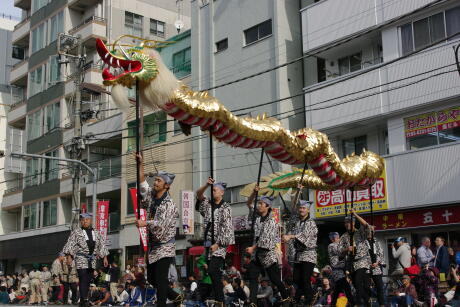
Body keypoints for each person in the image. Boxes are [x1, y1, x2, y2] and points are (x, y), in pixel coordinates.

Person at [134, 153, 182, 307]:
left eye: (159, 180)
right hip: (154, 247)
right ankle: (176, 296)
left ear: (167, 185)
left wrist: (144, 223)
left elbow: (160, 225)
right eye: (155, 179)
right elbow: (142, 183)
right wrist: (140, 163)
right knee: (153, 279)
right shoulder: (152, 197)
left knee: (161, 280)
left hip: (166, 246)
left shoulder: (169, 204)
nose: (155, 182)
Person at [245, 187, 290, 305]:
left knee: (275, 280)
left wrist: (252, 248)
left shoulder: (271, 221)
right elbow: (249, 203)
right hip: (257, 256)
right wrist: (254, 193)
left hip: (267, 256)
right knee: (252, 277)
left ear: (267, 206)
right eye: (258, 203)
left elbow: (264, 240)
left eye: (261, 203)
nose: (259, 205)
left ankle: (286, 297)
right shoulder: (257, 218)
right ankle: (253, 302)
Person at [196, 177, 235, 306]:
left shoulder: (225, 208)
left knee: (213, 270)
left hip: (220, 244)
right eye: (212, 190)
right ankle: (220, 299)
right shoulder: (208, 204)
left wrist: (217, 244)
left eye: (215, 190)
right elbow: (199, 194)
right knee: (212, 273)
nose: (213, 192)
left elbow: (228, 230)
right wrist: (207, 185)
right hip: (208, 244)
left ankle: (221, 300)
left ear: (222, 192)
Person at [62, 212, 109, 307]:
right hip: (81, 257)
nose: (85, 222)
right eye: (82, 220)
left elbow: (102, 244)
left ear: (90, 220)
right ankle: (84, 299)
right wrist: (69, 257)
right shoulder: (76, 232)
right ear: (80, 222)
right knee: (83, 277)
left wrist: (104, 257)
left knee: (88, 279)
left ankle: (83, 300)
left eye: (87, 220)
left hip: (92, 259)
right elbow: (70, 243)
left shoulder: (96, 232)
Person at [282, 199, 317, 306]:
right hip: (298, 255)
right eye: (300, 208)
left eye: (303, 208)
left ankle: (308, 298)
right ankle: (303, 296)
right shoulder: (297, 222)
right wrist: (298, 191)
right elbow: (291, 214)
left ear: (308, 210)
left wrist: (290, 236)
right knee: (296, 279)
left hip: (308, 255)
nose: (301, 210)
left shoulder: (311, 222)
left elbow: (305, 236)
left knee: (305, 279)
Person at [339, 209, 372, 307]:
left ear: (353, 223)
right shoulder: (344, 237)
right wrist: (346, 249)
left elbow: (366, 225)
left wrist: (355, 214)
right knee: (356, 285)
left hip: (362, 261)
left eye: (349, 222)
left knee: (358, 282)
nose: (347, 224)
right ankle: (367, 300)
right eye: (345, 223)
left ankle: (358, 303)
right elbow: (340, 254)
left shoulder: (360, 232)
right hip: (351, 263)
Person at [328, 231, 354, 306]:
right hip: (336, 270)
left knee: (337, 289)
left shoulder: (340, 245)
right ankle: (353, 303)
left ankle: (332, 304)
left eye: (338, 237)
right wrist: (347, 249)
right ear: (333, 239)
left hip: (342, 271)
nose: (338, 239)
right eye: (336, 237)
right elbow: (339, 252)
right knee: (347, 287)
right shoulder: (331, 245)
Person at [368, 231, 385, 307]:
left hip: (376, 268)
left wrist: (377, 263)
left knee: (379, 287)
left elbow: (381, 254)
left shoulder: (377, 242)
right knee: (366, 287)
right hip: (366, 268)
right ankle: (368, 303)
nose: (368, 234)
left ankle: (382, 304)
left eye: (369, 233)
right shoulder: (363, 242)